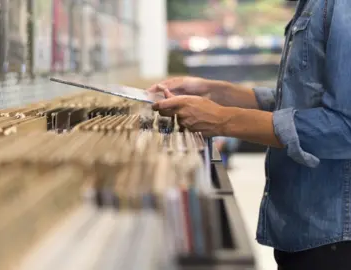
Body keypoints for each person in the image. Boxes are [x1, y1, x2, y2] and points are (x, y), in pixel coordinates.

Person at [148, 0, 351, 269]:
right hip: (309, 226)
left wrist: (223, 119)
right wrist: (219, 92)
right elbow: (303, 102)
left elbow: (344, 128)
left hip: (335, 238)